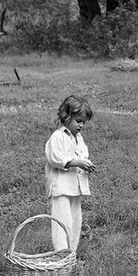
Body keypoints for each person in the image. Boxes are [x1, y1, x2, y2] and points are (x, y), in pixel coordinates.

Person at [45, 95, 96, 255]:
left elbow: (82, 155)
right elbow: (55, 159)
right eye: (78, 121)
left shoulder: (78, 138)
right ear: (66, 117)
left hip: (74, 187)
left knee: (75, 221)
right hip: (61, 188)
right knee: (62, 222)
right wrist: (77, 162)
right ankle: (62, 254)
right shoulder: (58, 136)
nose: (81, 125)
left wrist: (85, 163)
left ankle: (71, 254)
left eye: (83, 122)